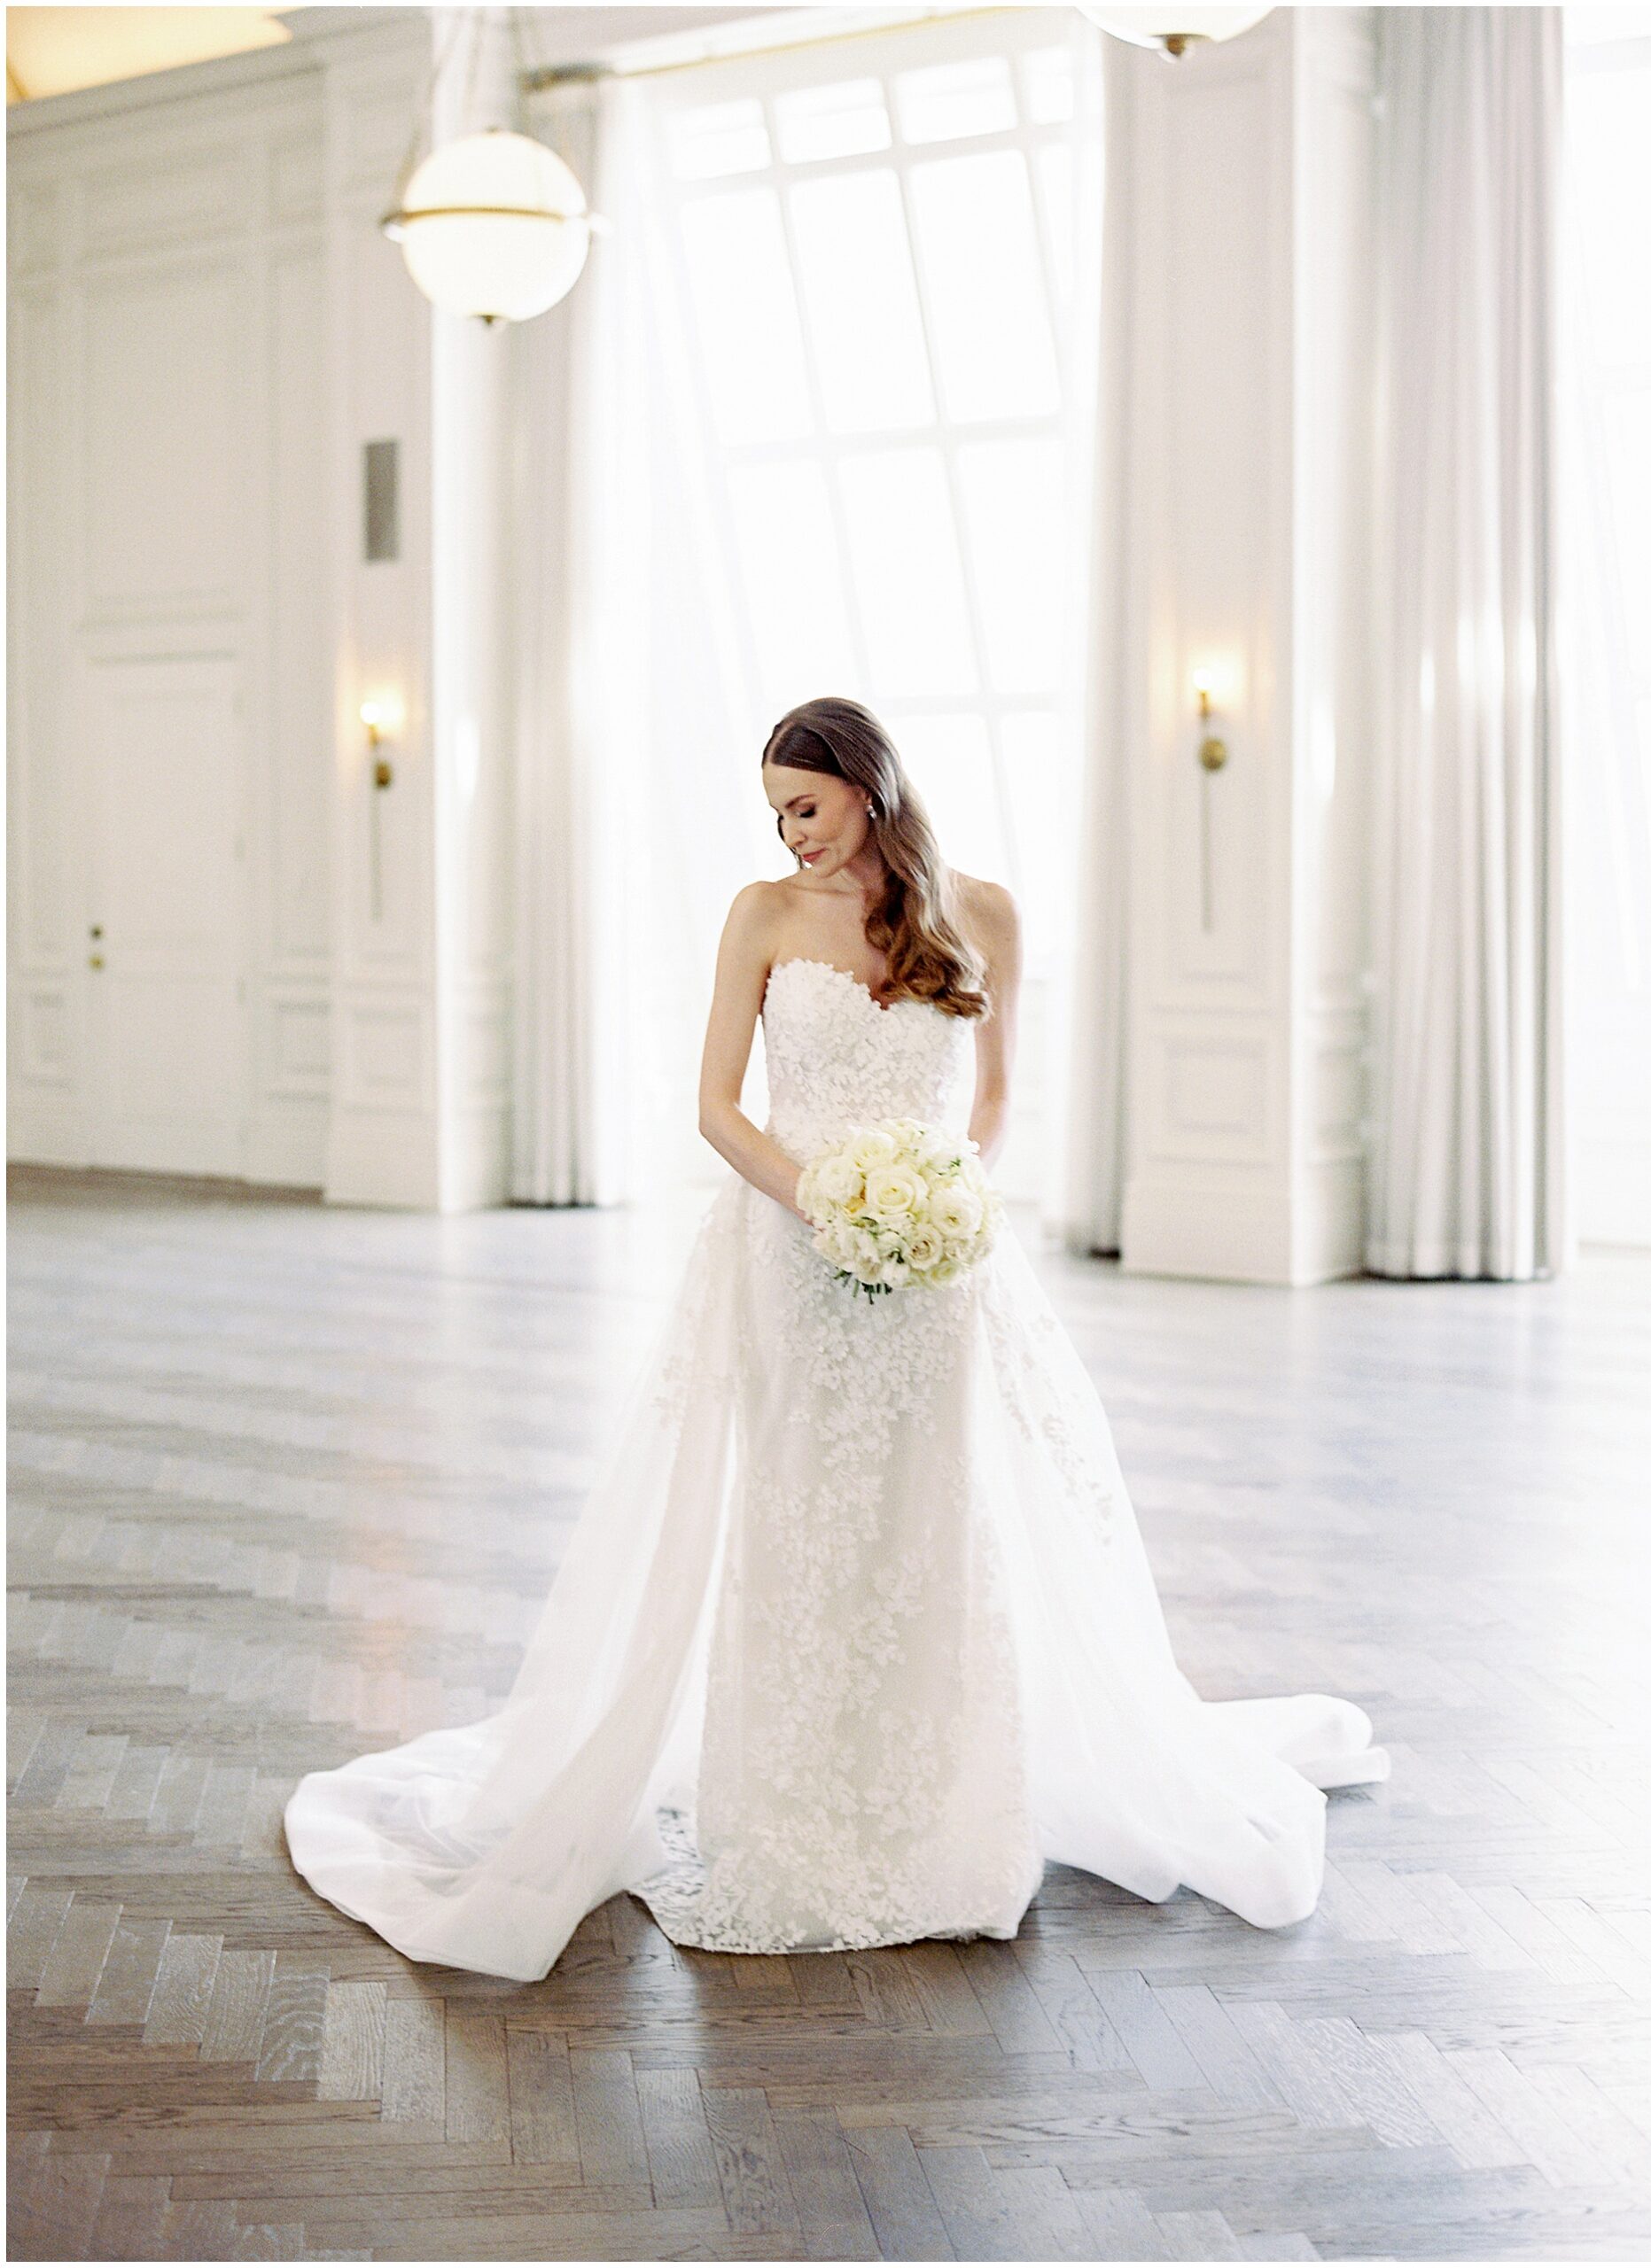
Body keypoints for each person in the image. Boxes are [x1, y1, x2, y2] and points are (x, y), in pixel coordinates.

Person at [284, 695, 1388, 1983]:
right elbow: (712, 1109)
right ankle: (796, 1814)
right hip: (788, 1253)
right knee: (802, 1512)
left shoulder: (986, 913)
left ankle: (942, 1816)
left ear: (866, 785)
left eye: (803, 805)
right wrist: (822, 1200)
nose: (790, 832)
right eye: (775, 814)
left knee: (933, 1512)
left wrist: (944, 1203)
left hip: (940, 1266)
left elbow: (997, 1097)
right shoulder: (760, 915)